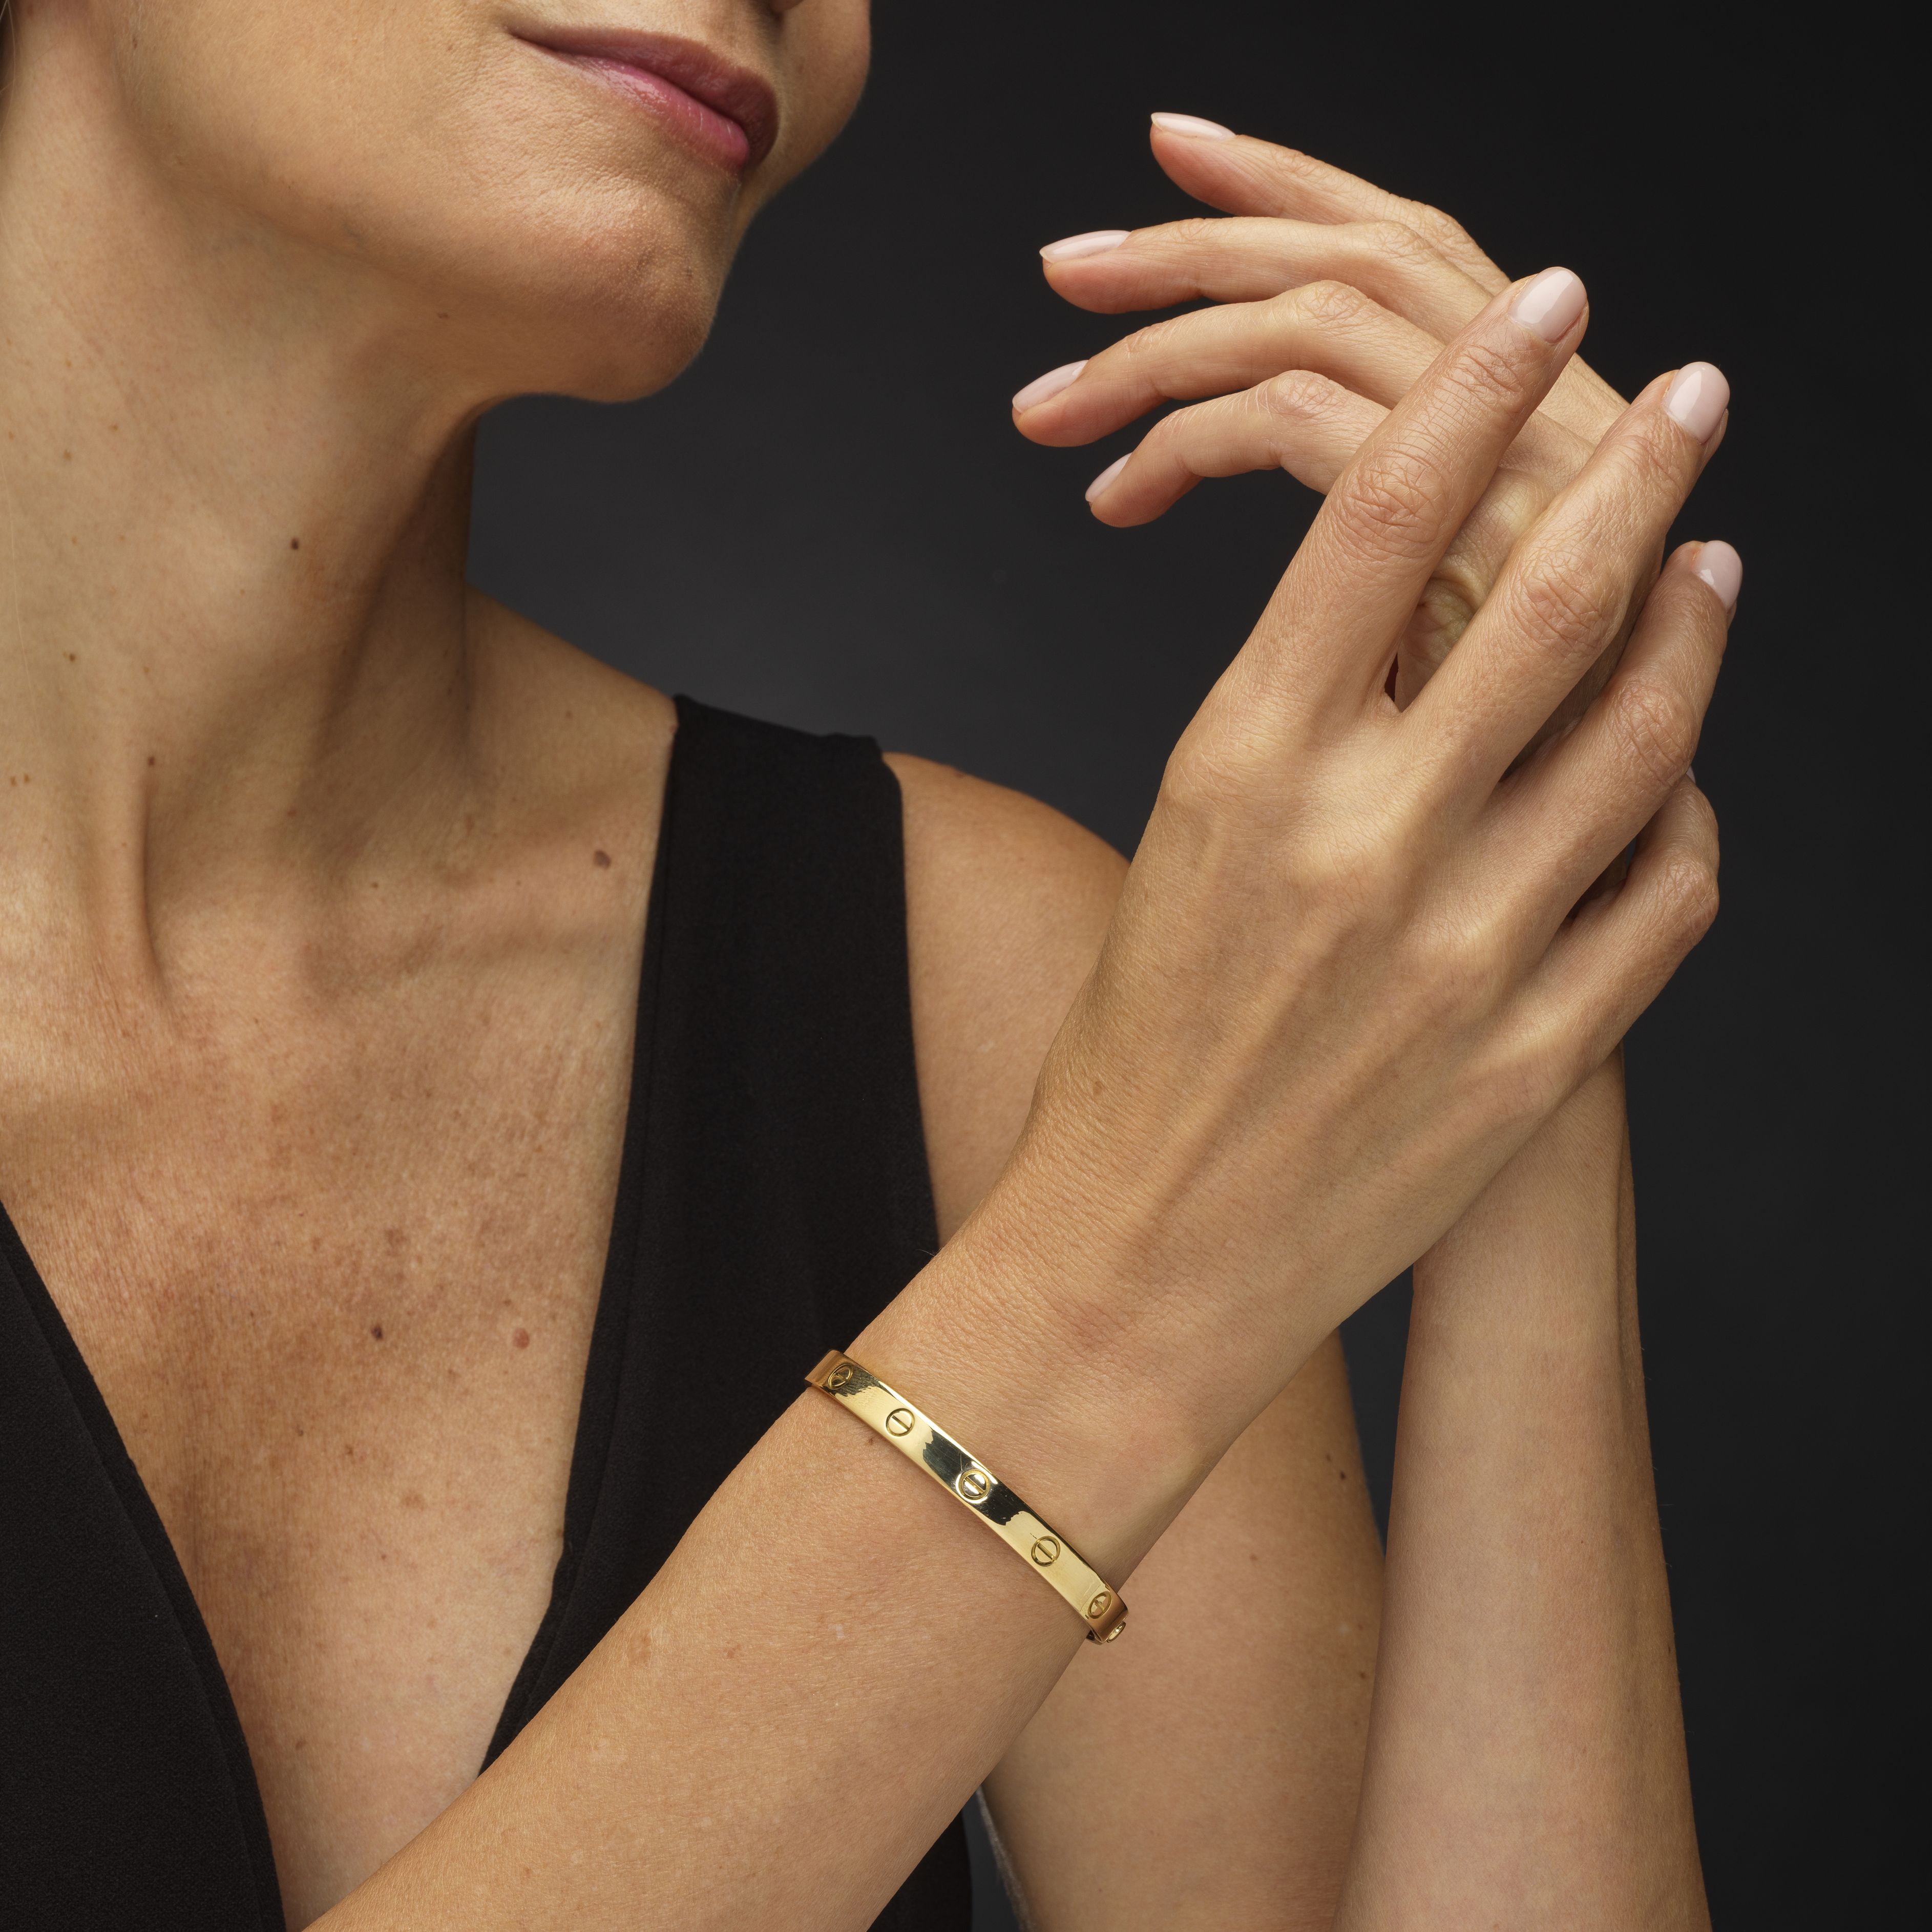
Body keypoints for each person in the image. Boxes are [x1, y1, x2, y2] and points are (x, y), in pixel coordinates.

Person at [0, 5, 1732, 1928]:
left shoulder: (971, 985)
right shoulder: (1133, 1157)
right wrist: (1118, 1291)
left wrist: (1523, 882)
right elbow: (1132, 1252)